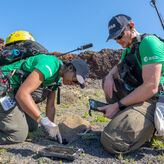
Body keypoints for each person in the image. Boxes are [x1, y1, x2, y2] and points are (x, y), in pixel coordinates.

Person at [0, 31, 89, 144]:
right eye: (76, 80)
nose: (74, 83)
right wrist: (43, 120)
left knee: (32, 127)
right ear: (70, 68)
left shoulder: (56, 79)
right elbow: (22, 94)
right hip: (3, 90)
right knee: (17, 135)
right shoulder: (50, 64)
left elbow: (51, 106)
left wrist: (51, 130)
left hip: (11, 94)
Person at [98, 14, 164, 154]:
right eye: (114, 38)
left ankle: (149, 130)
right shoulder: (129, 49)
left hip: (155, 100)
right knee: (108, 81)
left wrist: (117, 105)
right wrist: (109, 76)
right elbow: (118, 67)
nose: (117, 40)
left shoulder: (149, 43)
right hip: (141, 96)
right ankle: (130, 122)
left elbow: (151, 87)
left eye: (120, 35)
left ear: (131, 26)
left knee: (111, 141)